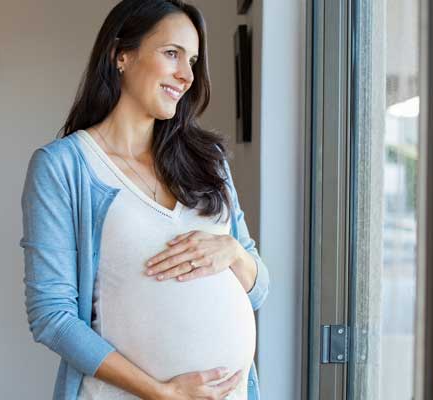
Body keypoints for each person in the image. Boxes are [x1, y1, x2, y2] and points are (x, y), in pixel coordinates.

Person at [19, 1, 270, 399]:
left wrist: (233, 253)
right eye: (172, 53)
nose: (186, 75)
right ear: (122, 54)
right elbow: (52, 316)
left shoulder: (208, 161)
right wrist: (162, 393)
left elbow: (258, 289)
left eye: (193, 60)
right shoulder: (66, 166)